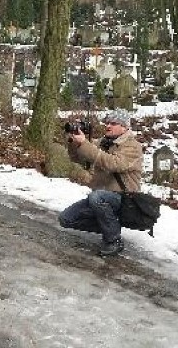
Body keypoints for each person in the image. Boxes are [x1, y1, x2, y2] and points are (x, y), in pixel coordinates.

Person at [58, 108, 144, 256]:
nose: (108, 126)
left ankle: (113, 240)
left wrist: (85, 144)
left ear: (124, 127)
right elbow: (78, 159)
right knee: (66, 219)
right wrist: (75, 142)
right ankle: (110, 226)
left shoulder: (133, 147)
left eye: (113, 123)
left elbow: (113, 163)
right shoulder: (104, 143)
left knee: (96, 197)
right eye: (107, 122)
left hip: (125, 198)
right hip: (102, 196)